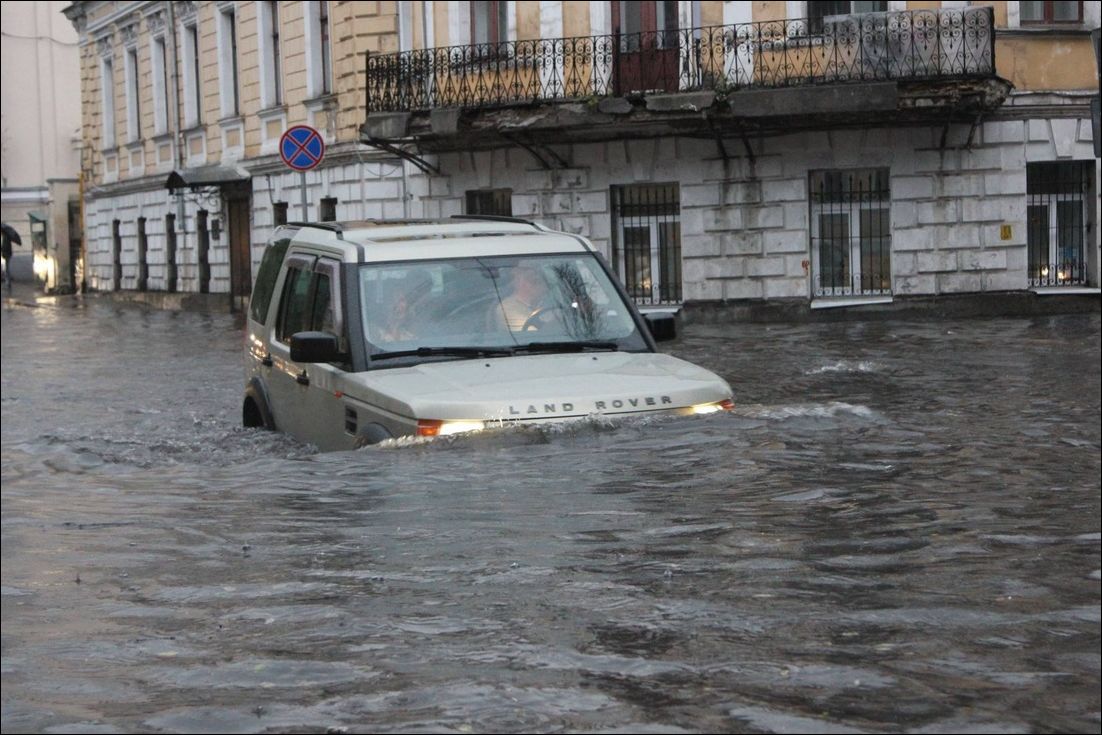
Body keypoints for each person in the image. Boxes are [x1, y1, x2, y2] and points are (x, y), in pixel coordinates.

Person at [496, 262, 552, 332]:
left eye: (542, 279)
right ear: (519, 283)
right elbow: (532, 336)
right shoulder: (507, 308)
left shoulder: (551, 303)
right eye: (535, 280)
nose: (542, 284)